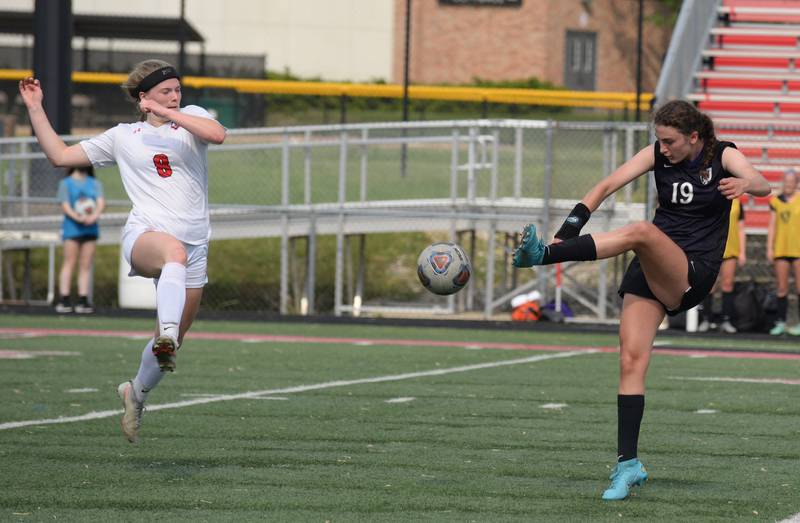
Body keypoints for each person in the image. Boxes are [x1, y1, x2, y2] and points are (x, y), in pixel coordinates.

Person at [512, 100, 770, 500]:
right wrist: (567, 231)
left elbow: (762, 182)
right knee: (631, 360)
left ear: (694, 136)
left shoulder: (723, 154)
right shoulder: (657, 154)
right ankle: (627, 465)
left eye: (670, 142)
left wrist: (744, 185)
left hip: (692, 271)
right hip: (651, 269)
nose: (663, 149)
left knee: (641, 231)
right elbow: (603, 187)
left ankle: (543, 256)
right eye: (659, 141)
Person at [19, 59, 226, 443]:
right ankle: (164, 335)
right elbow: (60, 157)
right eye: (165, 91)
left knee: (176, 336)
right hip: (146, 236)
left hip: (197, 243)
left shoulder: (191, 118)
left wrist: (169, 112)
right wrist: (35, 108)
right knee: (173, 255)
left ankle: (137, 393)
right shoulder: (124, 135)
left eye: (177, 90)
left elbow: (217, 135)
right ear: (142, 96)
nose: (175, 96)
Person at [55, 165, 105, 314]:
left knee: (86, 264)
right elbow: (65, 205)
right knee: (69, 262)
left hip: (90, 228)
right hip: (72, 228)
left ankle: (83, 300)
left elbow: (100, 203)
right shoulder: (65, 183)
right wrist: (77, 217)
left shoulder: (95, 183)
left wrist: (93, 216)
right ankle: (64, 299)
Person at [697, 197, 746, 333]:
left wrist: (742, 251)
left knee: (728, 284)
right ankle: (707, 319)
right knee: (710, 285)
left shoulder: (738, 204)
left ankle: (726, 320)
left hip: (731, 249)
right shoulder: (711, 199)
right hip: (712, 248)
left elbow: (741, 229)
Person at [766, 169, 800, 336]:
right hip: (781, 248)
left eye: (792, 181)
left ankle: (798, 324)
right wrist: (769, 247)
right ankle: (781, 322)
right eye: (786, 181)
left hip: (798, 249)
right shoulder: (775, 201)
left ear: (796, 183)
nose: (789, 184)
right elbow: (772, 226)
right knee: (782, 288)